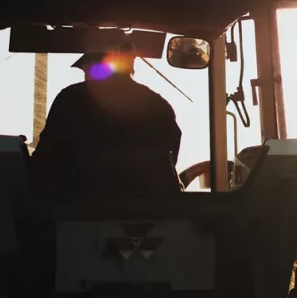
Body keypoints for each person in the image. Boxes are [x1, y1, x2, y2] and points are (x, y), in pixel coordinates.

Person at [30, 41, 183, 192]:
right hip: (152, 210)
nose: (86, 77)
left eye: (87, 69)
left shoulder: (70, 99)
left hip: (77, 209)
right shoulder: (158, 105)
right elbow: (168, 162)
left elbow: (45, 160)